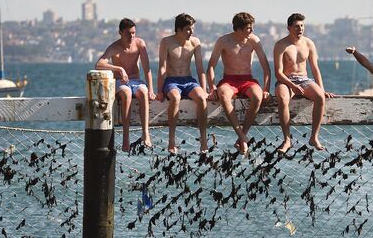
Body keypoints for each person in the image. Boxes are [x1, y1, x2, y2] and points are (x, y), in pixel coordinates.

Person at [207, 12, 271, 154]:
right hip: (229, 80)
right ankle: (241, 136)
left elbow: (266, 67)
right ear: (239, 29)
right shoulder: (223, 41)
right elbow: (211, 66)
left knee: (257, 96)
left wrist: (266, 88)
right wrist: (212, 88)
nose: (252, 30)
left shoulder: (254, 40)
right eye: (249, 28)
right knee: (223, 95)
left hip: (247, 79)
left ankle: (242, 136)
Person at [273, 13, 335, 153]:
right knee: (283, 99)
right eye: (296, 26)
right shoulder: (281, 45)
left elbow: (315, 68)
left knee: (320, 97)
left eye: (302, 26)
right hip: (286, 80)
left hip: (304, 80)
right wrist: (292, 86)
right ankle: (287, 140)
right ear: (289, 28)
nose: (300, 29)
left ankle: (314, 137)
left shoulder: (308, 43)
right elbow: (278, 72)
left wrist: (322, 89)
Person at [96, 18, 155, 152]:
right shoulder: (114, 47)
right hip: (120, 82)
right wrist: (119, 69)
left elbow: (147, 68)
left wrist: (151, 89)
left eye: (133, 33)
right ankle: (126, 138)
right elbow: (99, 64)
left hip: (136, 81)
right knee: (127, 94)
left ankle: (146, 134)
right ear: (120, 33)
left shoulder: (140, 44)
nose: (131, 36)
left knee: (143, 92)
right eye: (128, 33)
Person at [156, 13, 208, 154]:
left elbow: (199, 68)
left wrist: (204, 89)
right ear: (178, 29)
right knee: (175, 98)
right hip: (172, 80)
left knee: (202, 98)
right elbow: (162, 67)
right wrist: (159, 90)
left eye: (192, 29)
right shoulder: (166, 42)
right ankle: (172, 141)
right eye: (188, 29)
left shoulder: (195, 42)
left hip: (188, 80)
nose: (191, 32)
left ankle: (203, 140)